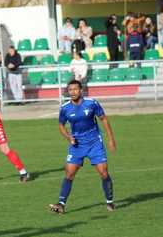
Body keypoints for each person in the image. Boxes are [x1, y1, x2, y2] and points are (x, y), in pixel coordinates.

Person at [49, 80, 116, 214]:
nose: (72, 92)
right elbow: (61, 125)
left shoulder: (92, 103)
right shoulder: (65, 108)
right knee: (69, 174)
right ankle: (61, 204)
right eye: (70, 90)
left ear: (81, 90)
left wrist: (111, 139)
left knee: (103, 173)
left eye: (75, 89)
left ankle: (109, 201)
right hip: (77, 144)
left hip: (94, 143)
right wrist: (68, 137)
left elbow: (103, 119)